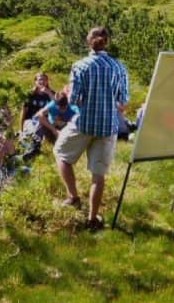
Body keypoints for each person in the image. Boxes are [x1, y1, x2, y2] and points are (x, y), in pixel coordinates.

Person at [54, 27, 129, 231]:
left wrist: (69, 92)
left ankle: (73, 197)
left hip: (84, 123)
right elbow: (123, 102)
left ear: (88, 42)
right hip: (108, 127)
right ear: (107, 42)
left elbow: (73, 100)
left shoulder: (80, 66)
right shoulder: (119, 67)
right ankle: (92, 218)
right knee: (98, 174)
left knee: (61, 153)